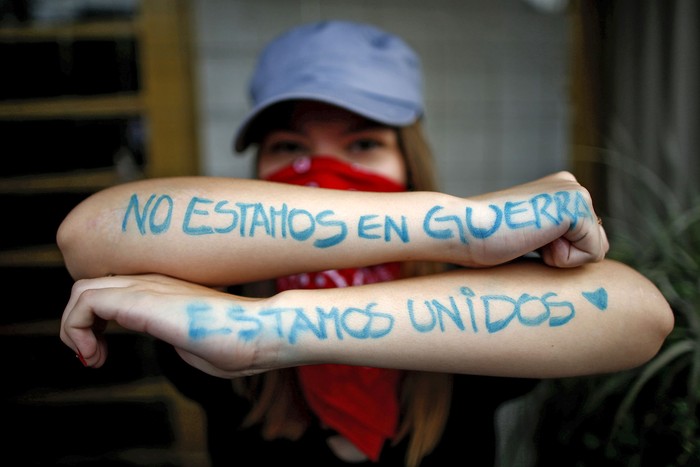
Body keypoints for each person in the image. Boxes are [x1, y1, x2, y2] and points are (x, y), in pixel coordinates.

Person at [57, 20, 673, 466]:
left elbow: (642, 317)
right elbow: (89, 237)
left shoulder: (474, 290)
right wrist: (459, 224)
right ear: (254, 179)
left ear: (411, 163)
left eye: (362, 145)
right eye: (291, 149)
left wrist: (270, 332)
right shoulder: (204, 296)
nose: (324, 174)